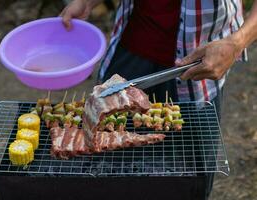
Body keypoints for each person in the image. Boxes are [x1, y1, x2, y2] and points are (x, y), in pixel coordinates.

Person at [60, 0, 257, 199]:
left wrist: (236, 43)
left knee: (192, 182)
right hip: (129, 53)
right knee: (107, 174)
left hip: (199, 67)